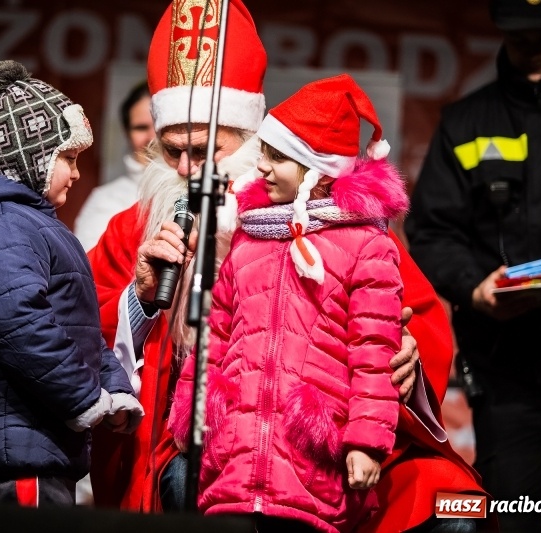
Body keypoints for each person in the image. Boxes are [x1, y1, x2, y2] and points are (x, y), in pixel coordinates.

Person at [89, 1, 483, 531]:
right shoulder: (134, 229)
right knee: (185, 480)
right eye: (171, 150)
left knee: (452, 511)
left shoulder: (333, 221)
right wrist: (138, 301)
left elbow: (414, 320)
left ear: (253, 142)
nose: (186, 171)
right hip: (210, 440)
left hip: (328, 430)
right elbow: (79, 334)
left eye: (206, 150)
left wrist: (405, 362)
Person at [167, 74, 407, 533]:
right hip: (235, 460)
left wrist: (366, 442)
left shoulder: (366, 245)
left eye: (278, 157)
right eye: (264, 154)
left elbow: (374, 353)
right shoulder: (248, 236)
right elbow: (214, 337)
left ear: (314, 169)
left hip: (312, 458)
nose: (262, 168)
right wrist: (192, 413)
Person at [405, 0, 541, 530]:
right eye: (520, 38)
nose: (533, 49)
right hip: (508, 366)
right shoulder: (466, 122)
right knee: (512, 517)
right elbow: (431, 230)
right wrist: (476, 287)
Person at [0, 60, 143, 506]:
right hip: (23, 444)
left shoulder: (31, 225)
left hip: (43, 439)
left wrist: (114, 387)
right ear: (31, 157)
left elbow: (71, 325)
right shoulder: (1, 226)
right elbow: (19, 323)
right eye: (68, 157)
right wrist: (84, 397)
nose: (77, 172)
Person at [73, 80, 155, 250]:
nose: (152, 137)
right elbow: (92, 269)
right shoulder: (105, 200)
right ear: (127, 134)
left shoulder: (204, 188)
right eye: (141, 128)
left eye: (159, 126)